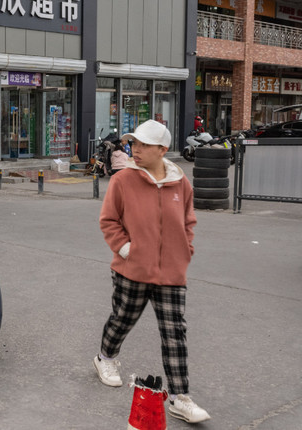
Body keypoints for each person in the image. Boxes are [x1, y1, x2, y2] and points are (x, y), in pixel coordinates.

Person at [93, 119, 211, 424]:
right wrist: (126, 249)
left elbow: (188, 221)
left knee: (175, 333)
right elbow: (109, 221)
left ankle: (179, 397)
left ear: (163, 149)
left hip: (172, 272)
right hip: (132, 269)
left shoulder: (180, 183)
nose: (135, 149)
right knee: (122, 319)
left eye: (144, 144)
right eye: (134, 143)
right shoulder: (122, 180)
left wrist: (186, 250)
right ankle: (105, 358)